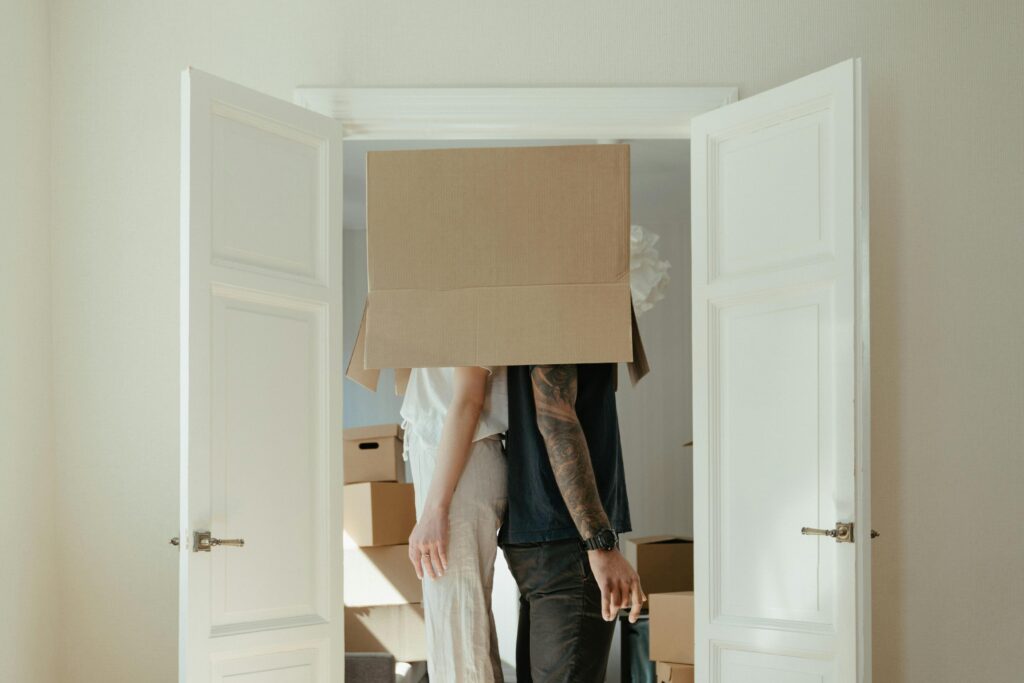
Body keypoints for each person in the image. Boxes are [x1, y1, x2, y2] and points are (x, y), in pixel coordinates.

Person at [501, 363, 645, 682]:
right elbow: (555, 420)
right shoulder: (564, 313)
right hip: (570, 540)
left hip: (542, 533)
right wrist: (599, 543)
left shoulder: (522, 319)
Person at [401, 366, 508, 683]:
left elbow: (468, 398)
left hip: (459, 467)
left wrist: (436, 509)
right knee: (464, 631)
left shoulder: (459, 314)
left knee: (457, 637)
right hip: (452, 462)